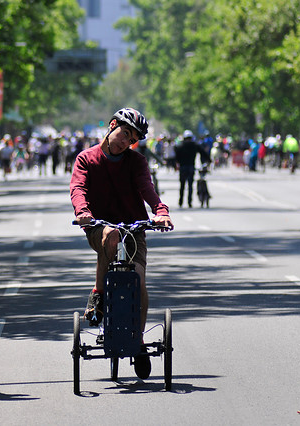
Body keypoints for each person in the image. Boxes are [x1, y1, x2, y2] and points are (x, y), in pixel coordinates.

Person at [70, 107, 174, 379]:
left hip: (134, 228)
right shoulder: (86, 159)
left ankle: (137, 341)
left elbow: (147, 189)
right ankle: (98, 293)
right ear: (112, 125)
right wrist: (82, 212)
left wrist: (160, 211)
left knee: (138, 280)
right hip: (97, 226)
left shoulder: (136, 162)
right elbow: (78, 188)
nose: (125, 141)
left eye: (131, 139)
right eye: (124, 133)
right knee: (110, 235)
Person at [175, 130, 211, 208]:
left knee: (182, 186)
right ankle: (189, 202)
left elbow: (176, 157)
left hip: (183, 168)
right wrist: (209, 160)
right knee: (190, 186)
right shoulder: (195, 145)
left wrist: (178, 163)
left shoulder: (180, 146)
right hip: (191, 167)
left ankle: (181, 202)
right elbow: (203, 152)